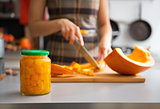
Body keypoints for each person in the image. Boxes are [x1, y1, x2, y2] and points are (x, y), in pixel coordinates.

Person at [29, 0, 112, 65]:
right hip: (58, 63)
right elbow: (33, 28)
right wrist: (59, 23)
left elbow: (104, 24)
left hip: (93, 62)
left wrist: (106, 40)